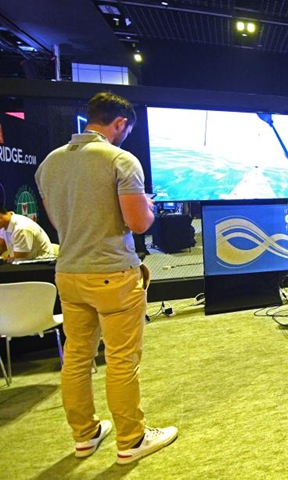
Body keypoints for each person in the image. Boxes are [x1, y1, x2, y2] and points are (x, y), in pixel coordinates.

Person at [35, 92, 178, 465]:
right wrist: (147, 206)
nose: (125, 134)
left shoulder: (49, 164)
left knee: (77, 358)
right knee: (121, 360)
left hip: (69, 272)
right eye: (126, 129)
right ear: (119, 123)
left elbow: (58, 223)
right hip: (113, 273)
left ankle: (85, 435)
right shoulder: (120, 160)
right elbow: (137, 223)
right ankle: (131, 439)